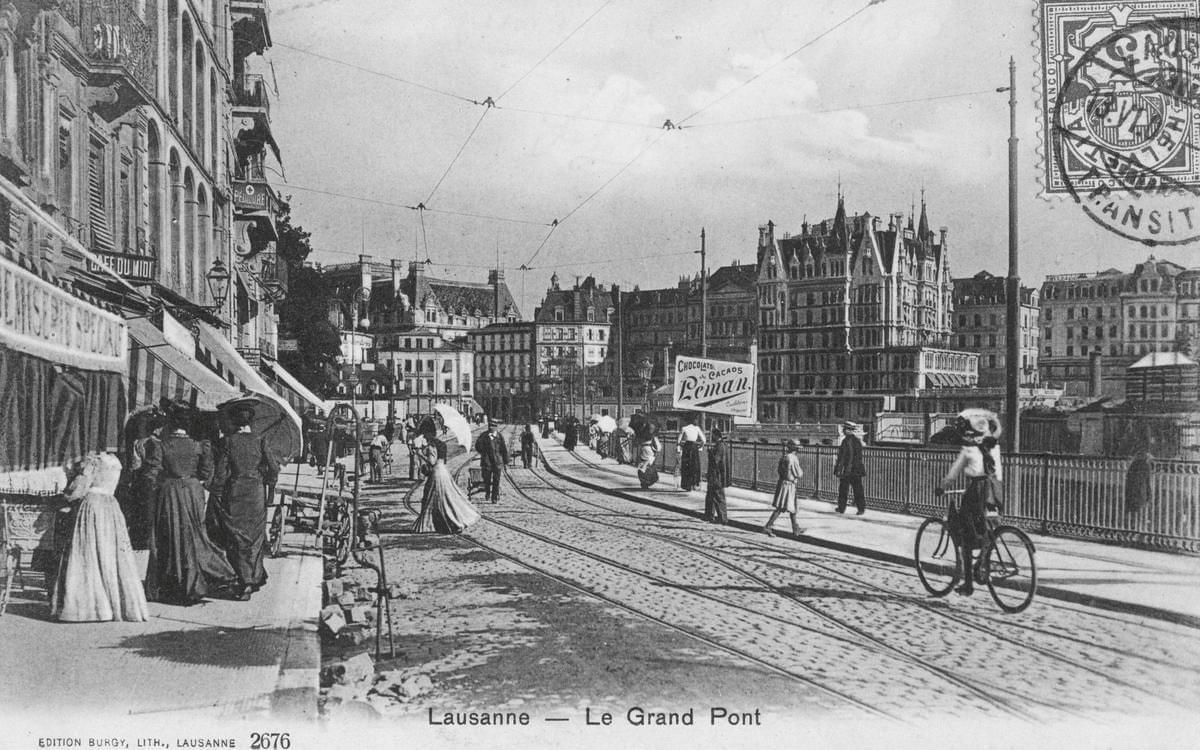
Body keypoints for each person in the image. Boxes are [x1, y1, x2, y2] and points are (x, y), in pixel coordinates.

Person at [144, 404, 236, 604]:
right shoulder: (199, 446)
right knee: (196, 534)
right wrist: (195, 481)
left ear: (171, 423)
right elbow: (207, 472)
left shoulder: (160, 445)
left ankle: (172, 582)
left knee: (170, 534)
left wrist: (160, 486)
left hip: (169, 491)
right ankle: (207, 575)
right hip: (193, 492)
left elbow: (151, 474)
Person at [51, 453, 149, 622]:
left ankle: (90, 608)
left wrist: (64, 497)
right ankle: (116, 605)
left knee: (87, 553)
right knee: (110, 555)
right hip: (111, 506)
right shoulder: (116, 462)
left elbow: (78, 490)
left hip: (92, 506)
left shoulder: (93, 462)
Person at [209, 404, 280, 601]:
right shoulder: (260, 440)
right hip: (256, 493)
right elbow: (274, 468)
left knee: (236, 537)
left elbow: (221, 473)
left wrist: (215, 492)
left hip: (236, 493)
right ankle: (254, 576)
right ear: (251, 421)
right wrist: (268, 482)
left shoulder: (228, 441)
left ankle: (244, 580)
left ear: (234, 421)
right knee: (255, 537)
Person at [936, 409, 1004, 597]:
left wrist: (941, 487)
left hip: (977, 492)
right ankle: (981, 561)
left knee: (966, 538)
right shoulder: (994, 447)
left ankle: (968, 585)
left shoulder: (969, 450)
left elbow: (953, 474)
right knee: (987, 529)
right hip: (995, 491)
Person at [411, 418, 481, 533]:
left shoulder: (431, 446)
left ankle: (437, 524)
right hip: (444, 472)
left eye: (424, 434)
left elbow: (432, 462)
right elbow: (443, 461)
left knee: (432, 498)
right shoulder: (441, 444)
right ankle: (450, 522)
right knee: (447, 498)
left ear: (427, 433)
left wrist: (420, 454)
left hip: (436, 474)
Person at [129, 411, 166, 550]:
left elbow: (135, 465)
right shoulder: (164, 444)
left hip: (143, 480)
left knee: (144, 513)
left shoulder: (139, 443)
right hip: (160, 482)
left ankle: (143, 542)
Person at [763, 439, 806, 537]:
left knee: (792, 506)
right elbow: (799, 473)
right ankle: (768, 526)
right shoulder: (793, 458)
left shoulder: (784, 457)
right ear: (795, 449)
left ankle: (796, 528)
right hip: (789, 485)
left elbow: (779, 470)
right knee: (781, 507)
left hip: (783, 483)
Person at [834, 421, 867, 515]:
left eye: (845, 429)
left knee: (845, 489)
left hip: (850, 470)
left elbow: (845, 457)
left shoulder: (847, 441)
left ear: (849, 430)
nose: (844, 431)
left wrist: (840, 469)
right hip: (855, 470)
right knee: (857, 489)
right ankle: (860, 508)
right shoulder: (856, 441)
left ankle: (842, 508)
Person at [474, 419, 509, 503]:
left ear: (496, 427)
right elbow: (477, 446)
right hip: (487, 461)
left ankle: (494, 497)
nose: (491, 428)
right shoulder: (483, 435)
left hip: (497, 461)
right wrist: (483, 451)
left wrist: (505, 462)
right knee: (487, 479)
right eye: (490, 426)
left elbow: (504, 449)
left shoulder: (499, 436)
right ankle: (487, 492)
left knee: (496, 480)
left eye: (493, 426)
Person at [703, 427, 731, 525]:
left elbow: (715, 460)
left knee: (718, 496)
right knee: (711, 495)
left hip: (716, 475)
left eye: (713, 435)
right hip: (717, 475)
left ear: (716, 436)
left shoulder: (719, 446)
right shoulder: (723, 445)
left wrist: (710, 452)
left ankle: (723, 518)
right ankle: (709, 516)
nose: (711, 437)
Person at [677, 414, 706, 491]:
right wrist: (700, 447)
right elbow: (704, 440)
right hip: (694, 447)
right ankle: (694, 484)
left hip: (687, 447)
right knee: (695, 466)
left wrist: (680, 448)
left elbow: (679, 441)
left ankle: (687, 485)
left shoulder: (684, 428)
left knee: (686, 466)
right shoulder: (697, 428)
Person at [635, 422, 662, 489]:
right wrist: (655, 450)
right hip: (650, 452)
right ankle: (648, 481)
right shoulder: (653, 436)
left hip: (643, 451)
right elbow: (658, 448)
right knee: (650, 467)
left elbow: (637, 443)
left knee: (642, 465)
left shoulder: (641, 435)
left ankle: (643, 482)